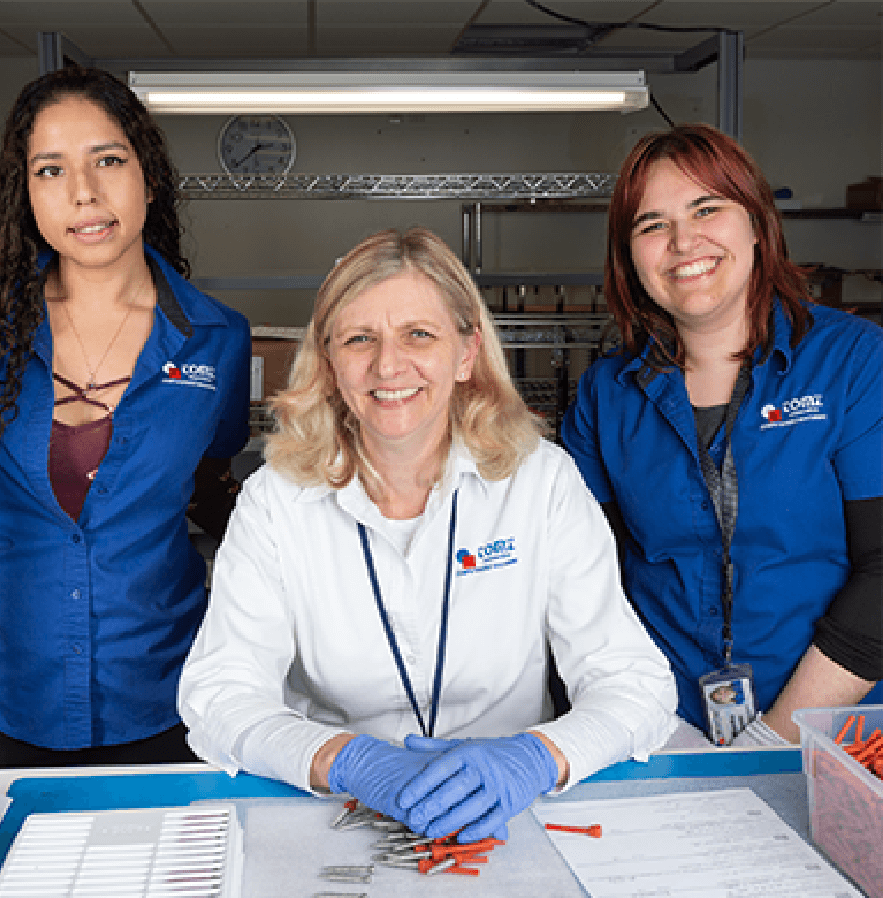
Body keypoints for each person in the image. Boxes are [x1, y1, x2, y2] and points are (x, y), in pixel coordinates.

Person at [178, 227, 676, 843]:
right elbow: (219, 696)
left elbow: (634, 682)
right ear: (330, 364)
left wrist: (537, 758)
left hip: (511, 815)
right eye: (360, 338)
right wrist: (346, 760)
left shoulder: (539, 481)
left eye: (419, 334)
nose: (389, 366)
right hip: (332, 818)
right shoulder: (277, 499)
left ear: (466, 353)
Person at [0, 66, 252, 767]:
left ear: (149, 176)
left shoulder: (216, 338)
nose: (84, 193)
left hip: (162, 692)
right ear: (28, 195)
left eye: (108, 160)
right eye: (51, 170)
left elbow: (212, 480)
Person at [560, 124, 882, 747]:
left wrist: (779, 739)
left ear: (757, 223)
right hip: (664, 729)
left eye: (707, 208)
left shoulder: (854, 364)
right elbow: (579, 584)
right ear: (630, 254)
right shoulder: (607, 395)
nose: (684, 242)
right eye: (652, 225)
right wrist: (632, 720)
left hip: (835, 729)